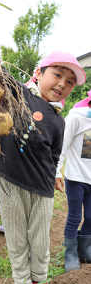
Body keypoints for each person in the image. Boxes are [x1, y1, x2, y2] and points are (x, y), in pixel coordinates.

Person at [0, 18, 86, 284]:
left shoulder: (59, 120)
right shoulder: (18, 94)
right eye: (57, 75)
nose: (62, 84)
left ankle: (41, 283)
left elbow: (55, 154)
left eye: (70, 82)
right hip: (10, 181)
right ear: (38, 72)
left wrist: (56, 176)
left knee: (40, 240)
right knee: (16, 238)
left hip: (43, 189)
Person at [55, 91, 91, 273]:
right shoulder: (78, 118)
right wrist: (56, 171)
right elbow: (63, 144)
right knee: (75, 217)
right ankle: (70, 255)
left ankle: (84, 251)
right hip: (76, 177)